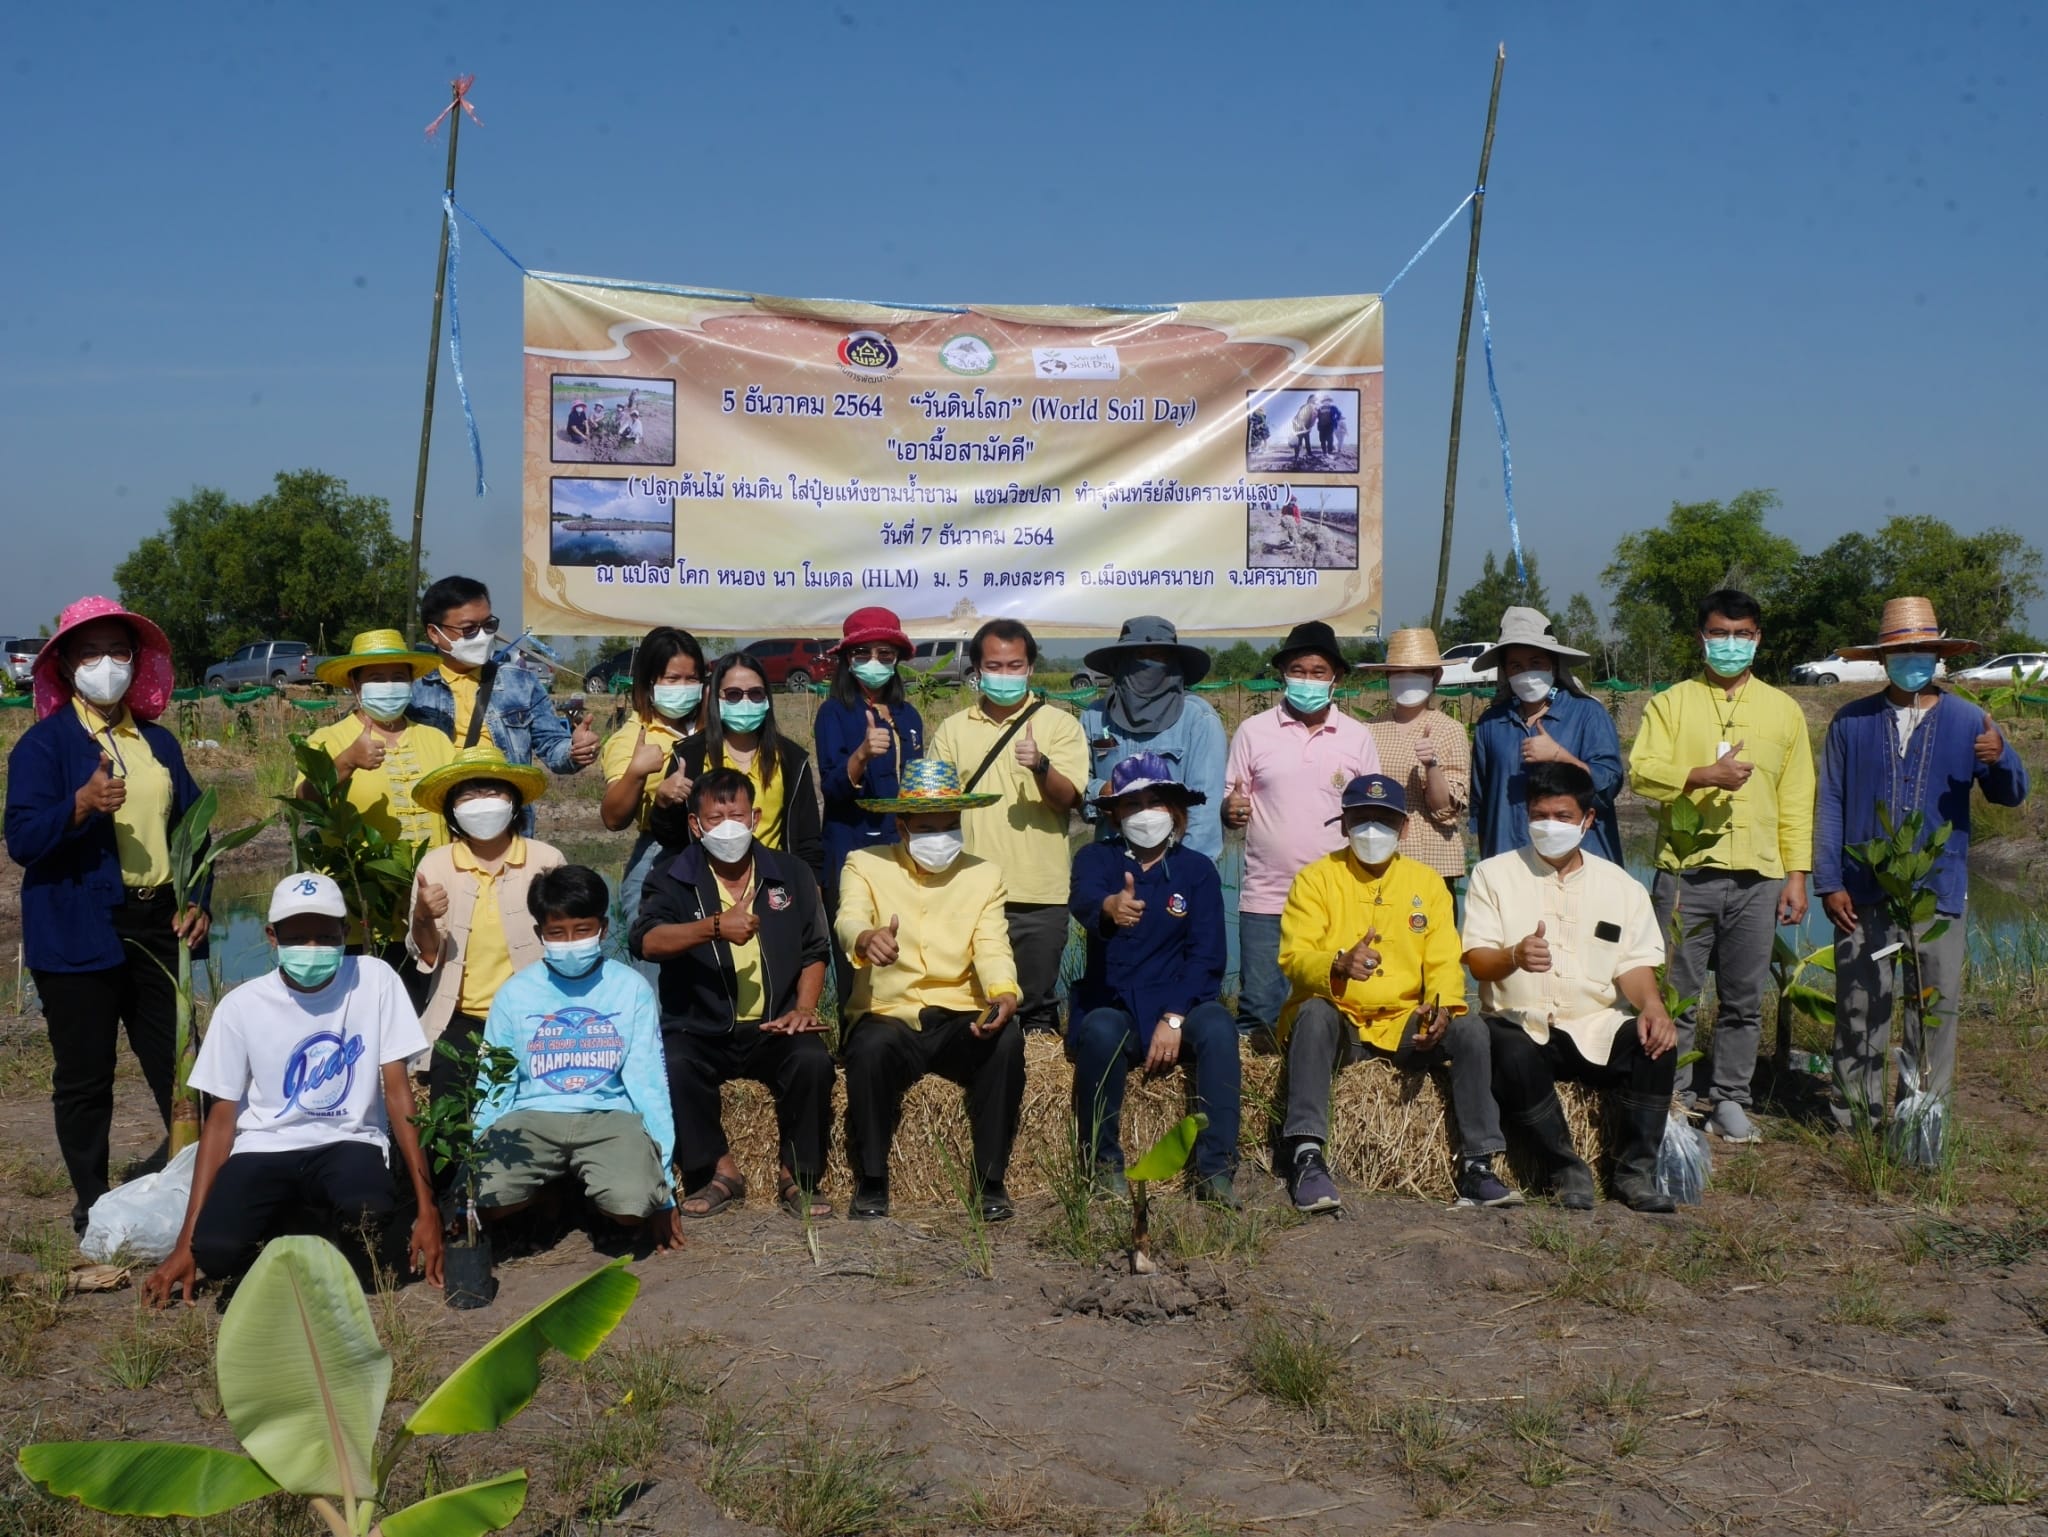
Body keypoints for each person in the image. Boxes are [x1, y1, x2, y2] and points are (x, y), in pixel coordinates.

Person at [5, 596, 211, 1233]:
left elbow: (195, 831)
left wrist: (199, 902)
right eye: (89, 653)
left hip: (158, 927)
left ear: (136, 660)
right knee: (85, 1073)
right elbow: (22, 840)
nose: (106, 665)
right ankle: (91, 1201)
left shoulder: (156, 743)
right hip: (77, 927)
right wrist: (79, 806)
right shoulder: (44, 747)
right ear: (65, 666)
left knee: (182, 1065)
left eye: (119, 652)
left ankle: (198, 1184)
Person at [142, 874, 443, 1302]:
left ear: (345, 931)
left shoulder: (374, 980)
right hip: (264, 1147)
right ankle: (292, 1219)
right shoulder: (241, 1006)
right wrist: (185, 1241)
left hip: (347, 1140)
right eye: (298, 938)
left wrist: (427, 1207)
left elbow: (398, 1094)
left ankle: (312, 1222)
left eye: (326, 936)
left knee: (370, 1218)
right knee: (217, 1251)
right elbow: (221, 1123)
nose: (313, 949)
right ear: (272, 937)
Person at [1815, 597, 2030, 1128]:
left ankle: (1921, 1117)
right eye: (1901, 650)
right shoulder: (1851, 722)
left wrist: (1999, 756)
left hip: (1938, 888)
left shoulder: (1968, 719)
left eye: (1921, 650)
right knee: (1861, 1004)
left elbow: (2012, 794)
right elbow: (1831, 802)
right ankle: (1854, 1116)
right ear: (1884, 658)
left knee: (1932, 1007)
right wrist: (1828, 881)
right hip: (1862, 888)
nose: (1912, 658)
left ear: (1937, 656)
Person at [1275, 774, 1515, 1213]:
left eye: (1383, 820)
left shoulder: (1427, 884)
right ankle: (1306, 1155)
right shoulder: (1315, 880)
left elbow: (1444, 959)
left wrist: (1441, 1008)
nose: (1372, 830)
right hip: (1342, 1020)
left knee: (1470, 1029)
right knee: (1311, 1014)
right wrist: (1337, 963)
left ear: (1403, 828)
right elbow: (1295, 957)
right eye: (1361, 818)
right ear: (1344, 823)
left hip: (1404, 1022)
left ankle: (1479, 1165)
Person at [1629, 589, 1814, 1139]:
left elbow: (1797, 797)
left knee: (1743, 997)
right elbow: (1641, 771)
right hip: (1687, 872)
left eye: (1742, 635)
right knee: (1677, 993)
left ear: (1757, 638)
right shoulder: (1671, 702)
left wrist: (1797, 877)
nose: (1730, 645)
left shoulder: (1784, 710)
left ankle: (1731, 1096)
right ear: (1701, 637)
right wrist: (1701, 776)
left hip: (1758, 876)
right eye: (1719, 634)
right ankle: (1674, 1093)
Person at [1463, 762, 1679, 1212]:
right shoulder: (1493, 874)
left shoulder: (1622, 886)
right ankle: (1564, 1168)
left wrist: (1653, 1006)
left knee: (1655, 1043)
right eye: (1539, 815)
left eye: (1562, 817)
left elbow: (1635, 965)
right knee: (1507, 1048)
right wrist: (1514, 957)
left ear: (1588, 820)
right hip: (1521, 1022)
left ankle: (1634, 1172)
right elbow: (1478, 961)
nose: (1550, 826)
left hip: (1594, 1024)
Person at [633, 769, 835, 1221]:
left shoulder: (791, 874)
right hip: (699, 1026)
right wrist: (715, 928)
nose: (728, 826)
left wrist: (804, 1008)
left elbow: (815, 950)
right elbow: (646, 941)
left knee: (813, 1061)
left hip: (775, 1026)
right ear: (695, 825)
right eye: (716, 816)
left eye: (737, 814)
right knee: (674, 1063)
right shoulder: (672, 876)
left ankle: (797, 1175)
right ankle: (717, 1171)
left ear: (755, 818)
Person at [834, 760, 1023, 1221]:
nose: (941, 837)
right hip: (888, 1011)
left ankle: (991, 1182)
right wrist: (865, 939)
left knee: (1008, 1040)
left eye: (950, 825)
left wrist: (1003, 992)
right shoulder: (864, 863)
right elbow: (848, 917)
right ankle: (873, 1181)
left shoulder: (983, 875)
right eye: (927, 827)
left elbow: (992, 942)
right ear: (901, 827)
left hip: (958, 1014)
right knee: (871, 1050)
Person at [471, 865, 682, 1253]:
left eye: (582, 930)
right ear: (540, 934)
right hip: (531, 1116)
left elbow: (648, 1084)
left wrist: (664, 1187)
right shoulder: (514, 994)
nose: (570, 942)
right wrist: (473, 1156)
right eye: (557, 933)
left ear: (603, 928)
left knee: (634, 1203)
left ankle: (592, 1201)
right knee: (487, 1196)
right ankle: (554, 1195)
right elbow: (494, 1082)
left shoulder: (630, 988)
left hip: (609, 1116)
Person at [1068, 754, 1240, 1205]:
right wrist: (1109, 908)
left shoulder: (1197, 870)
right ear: (1115, 814)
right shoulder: (1095, 858)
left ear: (1175, 811)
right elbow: (1084, 901)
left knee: (1221, 1029)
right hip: (1117, 1000)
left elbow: (1207, 957)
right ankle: (1102, 1165)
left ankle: (1215, 1170)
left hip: (1180, 999)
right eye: (1133, 804)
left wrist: (1176, 1016)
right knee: (1100, 1031)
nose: (1145, 814)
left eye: (1156, 802)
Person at [1222, 620, 1380, 1044]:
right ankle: (1257, 1105)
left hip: (1335, 897)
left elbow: (1371, 813)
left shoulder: (1357, 737)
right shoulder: (1253, 731)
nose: (1307, 680)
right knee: (1259, 1010)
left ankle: (1317, 1093)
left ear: (1336, 679)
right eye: (1298, 670)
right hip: (1266, 896)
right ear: (1283, 674)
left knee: (1332, 1003)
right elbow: (1232, 799)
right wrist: (1231, 809)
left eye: (1317, 672)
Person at [928, 619, 1087, 1035]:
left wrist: (1040, 765)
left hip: (1040, 893)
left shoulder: (1060, 725)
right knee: (977, 1004)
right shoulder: (953, 729)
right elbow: (934, 808)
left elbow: (1067, 798)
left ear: (1031, 667)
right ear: (976, 670)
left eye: (1014, 665)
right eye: (994, 666)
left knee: (1035, 1007)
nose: (1004, 675)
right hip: (970, 888)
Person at [405, 747, 564, 1122]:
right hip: (466, 1017)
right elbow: (428, 956)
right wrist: (424, 916)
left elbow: (567, 939)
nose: (482, 804)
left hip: (538, 1015)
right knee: (450, 1111)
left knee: (543, 1110)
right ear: (453, 812)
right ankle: (455, 1183)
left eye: (493, 792)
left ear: (514, 803)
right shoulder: (436, 864)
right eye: (468, 795)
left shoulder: (546, 859)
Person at [410, 576, 599, 812]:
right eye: (468, 629)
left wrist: (575, 750)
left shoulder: (520, 682)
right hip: (437, 819)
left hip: (505, 822)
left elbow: (552, 748)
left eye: (488, 626)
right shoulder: (412, 690)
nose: (482, 636)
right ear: (434, 633)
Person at [813, 607, 926, 1000]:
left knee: (901, 946)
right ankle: (854, 1038)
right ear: (847, 660)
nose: (874, 663)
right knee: (854, 948)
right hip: (849, 847)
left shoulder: (909, 716)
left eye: (884, 654)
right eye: (863, 654)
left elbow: (914, 787)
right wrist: (860, 756)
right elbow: (831, 787)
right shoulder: (832, 713)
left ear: (896, 660)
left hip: (901, 851)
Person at [645, 650, 824, 888]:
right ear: (716, 698)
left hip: (774, 885)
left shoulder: (792, 759)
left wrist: (810, 891)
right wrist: (664, 802)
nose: (745, 702)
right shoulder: (690, 757)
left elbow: (808, 841)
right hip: (706, 886)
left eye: (756, 694)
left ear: (767, 699)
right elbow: (671, 839)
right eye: (733, 695)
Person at [1470, 606, 1624, 865]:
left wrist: (1561, 756)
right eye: (1516, 666)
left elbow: (1609, 785)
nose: (1526, 673)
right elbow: (1481, 806)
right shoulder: (1491, 724)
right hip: (1511, 864)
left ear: (1553, 663)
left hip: (1580, 865)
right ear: (1505, 671)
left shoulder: (1588, 714)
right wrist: (1489, 868)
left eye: (1535, 663)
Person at [598, 627, 708, 976]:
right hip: (660, 856)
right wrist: (637, 773)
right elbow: (613, 818)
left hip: (724, 854)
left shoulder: (714, 725)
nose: (684, 687)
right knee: (662, 978)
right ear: (649, 682)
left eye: (692, 678)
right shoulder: (633, 737)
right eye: (672, 678)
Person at [1079, 615, 1227, 860]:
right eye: (1138, 657)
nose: (1148, 665)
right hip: (1111, 867)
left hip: (1174, 870)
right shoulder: (1094, 717)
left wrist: (1184, 880)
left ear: (1175, 665)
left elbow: (1204, 813)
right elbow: (1078, 785)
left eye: (1158, 657)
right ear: (1120, 663)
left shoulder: (1199, 719)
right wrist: (1100, 791)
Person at [305, 629, 459, 852]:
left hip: (436, 882)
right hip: (360, 883)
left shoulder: (437, 740)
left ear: (410, 682)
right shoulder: (327, 740)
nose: (389, 686)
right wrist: (347, 761)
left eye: (398, 678)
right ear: (354, 684)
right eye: (376, 679)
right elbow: (306, 800)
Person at [1358, 628, 1471, 896]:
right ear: (1387, 676)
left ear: (1436, 676)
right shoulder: (1368, 729)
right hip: (1377, 855)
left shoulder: (1449, 729)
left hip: (1432, 858)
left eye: (1418, 672)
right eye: (1398, 673)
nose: (1407, 680)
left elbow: (1446, 810)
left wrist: (1431, 766)